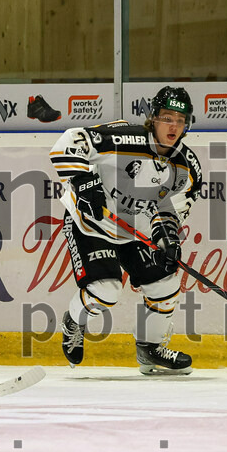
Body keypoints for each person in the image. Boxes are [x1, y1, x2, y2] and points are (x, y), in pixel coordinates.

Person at [49, 86, 203, 374]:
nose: (173, 126)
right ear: (153, 118)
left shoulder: (187, 167)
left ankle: (149, 349)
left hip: (134, 231)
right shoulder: (122, 137)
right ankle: (74, 321)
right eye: (167, 117)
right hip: (91, 222)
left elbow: (170, 209)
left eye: (180, 120)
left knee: (166, 285)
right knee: (105, 292)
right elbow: (68, 142)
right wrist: (84, 181)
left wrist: (167, 237)